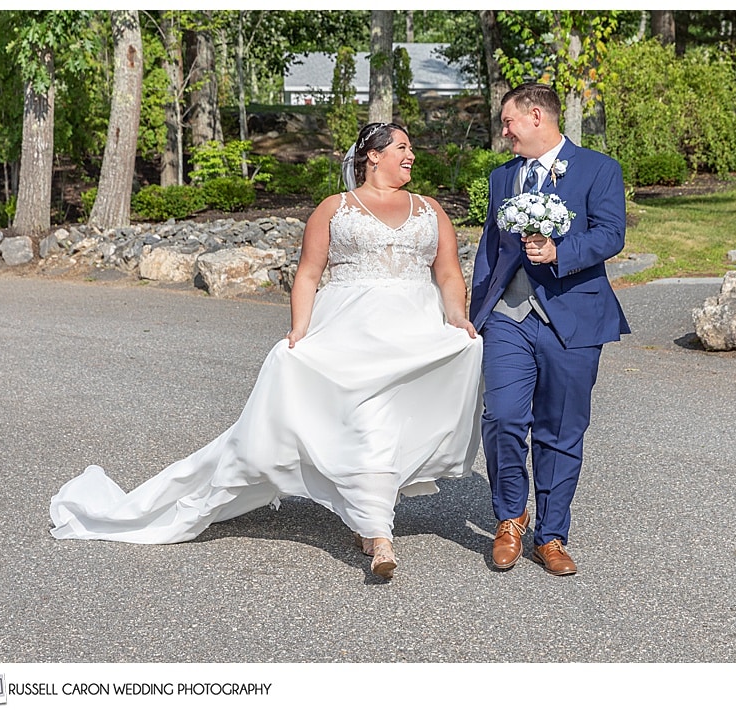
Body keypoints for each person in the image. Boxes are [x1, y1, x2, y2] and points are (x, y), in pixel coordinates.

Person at [50, 123, 483, 580]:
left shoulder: (429, 209)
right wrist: (299, 332)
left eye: (410, 148)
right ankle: (379, 535)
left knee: (392, 423)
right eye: (402, 147)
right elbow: (309, 275)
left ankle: (365, 516)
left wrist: (457, 319)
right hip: (351, 333)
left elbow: (450, 274)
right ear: (372, 156)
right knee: (368, 425)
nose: (411, 155)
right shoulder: (335, 209)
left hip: (415, 333)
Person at [469, 83, 630, 576]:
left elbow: (611, 233)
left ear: (536, 116)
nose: (504, 131)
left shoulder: (599, 169)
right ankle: (510, 519)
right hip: (508, 319)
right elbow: (491, 250)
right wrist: (472, 313)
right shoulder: (503, 178)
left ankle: (553, 534)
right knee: (502, 418)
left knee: (562, 431)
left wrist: (562, 252)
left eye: (508, 121)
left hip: (573, 316)